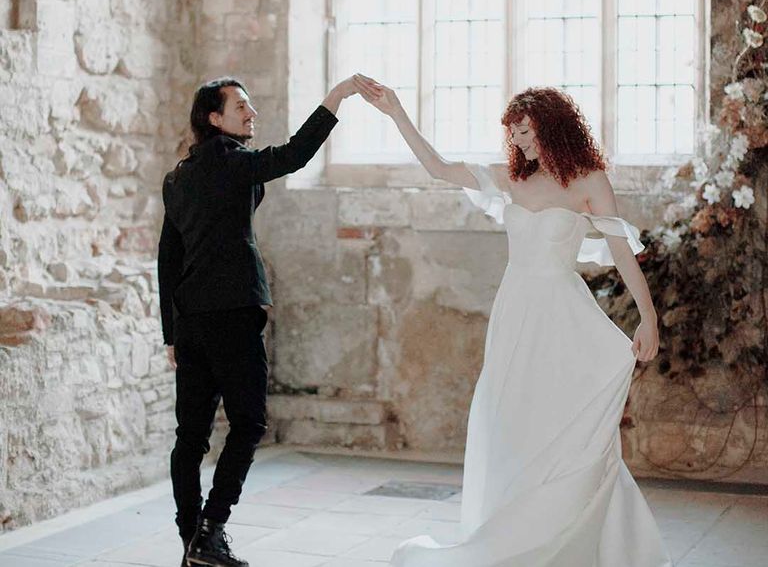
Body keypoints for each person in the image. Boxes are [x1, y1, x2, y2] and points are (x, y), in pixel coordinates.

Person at [359, 82, 671, 567]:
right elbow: (439, 168)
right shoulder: (512, 178)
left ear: (551, 125)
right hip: (515, 313)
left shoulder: (590, 181)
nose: (520, 142)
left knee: (565, 425)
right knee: (510, 421)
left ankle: (578, 533)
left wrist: (648, 316)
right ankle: (514, 533)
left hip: (562, 315)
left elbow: (621, 253)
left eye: (526, 132)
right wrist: (397, 112)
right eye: (515, 134)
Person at [157, 73, 377, 567]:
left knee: (189, 436)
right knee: (249, 422)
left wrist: (170, 333)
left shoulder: (177, 177)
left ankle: (192, 541)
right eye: (241, 107)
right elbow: (295, 155)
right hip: (231, 315)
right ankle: (210, 533)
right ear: (214, 119)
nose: (251, 113)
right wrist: (336, 98)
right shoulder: (232, 162)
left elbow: (168, 259)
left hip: (191, 320)